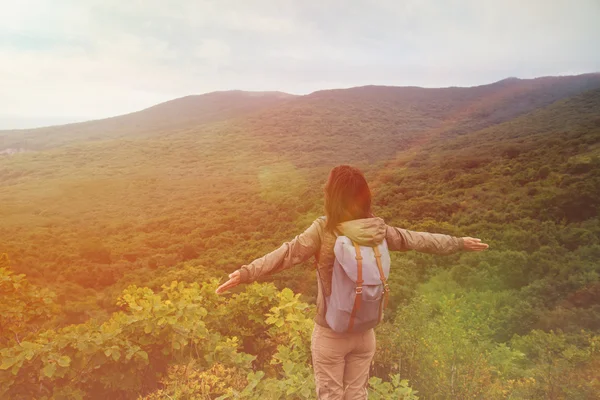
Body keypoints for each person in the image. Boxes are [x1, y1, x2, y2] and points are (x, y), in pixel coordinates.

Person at [216, 165, 489, 399]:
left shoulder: (324, 229)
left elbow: (287, 254)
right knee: (358, 396)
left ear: (332, 198)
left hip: (331, 334)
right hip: (365, 333)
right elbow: (416, 239)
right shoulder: (377, 229)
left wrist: (246, 273)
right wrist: (457, 243)